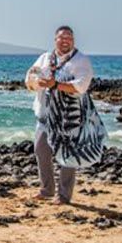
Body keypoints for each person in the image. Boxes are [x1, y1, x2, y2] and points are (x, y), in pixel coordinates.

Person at [24, 25, 106, 204]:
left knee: (68, 156)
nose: (65, 41)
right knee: (41, 150)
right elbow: (30, 76)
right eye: (61, 38)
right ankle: (47, 190)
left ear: (73, 40)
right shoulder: (45, 58)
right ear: (55, 40)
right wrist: (36, 82)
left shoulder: (81, 61)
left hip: (68, 118)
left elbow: (81, 86)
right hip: (45, 115)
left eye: (69, 38)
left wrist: (55, 85)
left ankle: (63, 195)